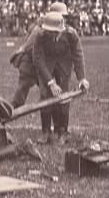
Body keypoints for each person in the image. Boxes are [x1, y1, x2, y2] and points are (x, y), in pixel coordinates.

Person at [32, 11, 89, 145]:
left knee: (64, 97)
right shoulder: (39, 36)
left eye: (54, 32)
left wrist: (82, 78)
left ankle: (62, 131)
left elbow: (78, 55)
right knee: (45, 94)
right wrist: (50, 82)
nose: (51, 34)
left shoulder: (71, 35)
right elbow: (38, 60)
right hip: (46, 65)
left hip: (64, 65)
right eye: (49, 31)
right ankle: (46, 131)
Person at [9, 1, 70, 109]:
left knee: (49, 94)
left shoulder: (50, 27)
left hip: (39, 65)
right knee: (20, 98)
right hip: (29, 64)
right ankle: (3, 116)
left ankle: (55, 123)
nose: (64, 19)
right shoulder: (41, 29)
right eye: (62, 16)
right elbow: (29, 48)